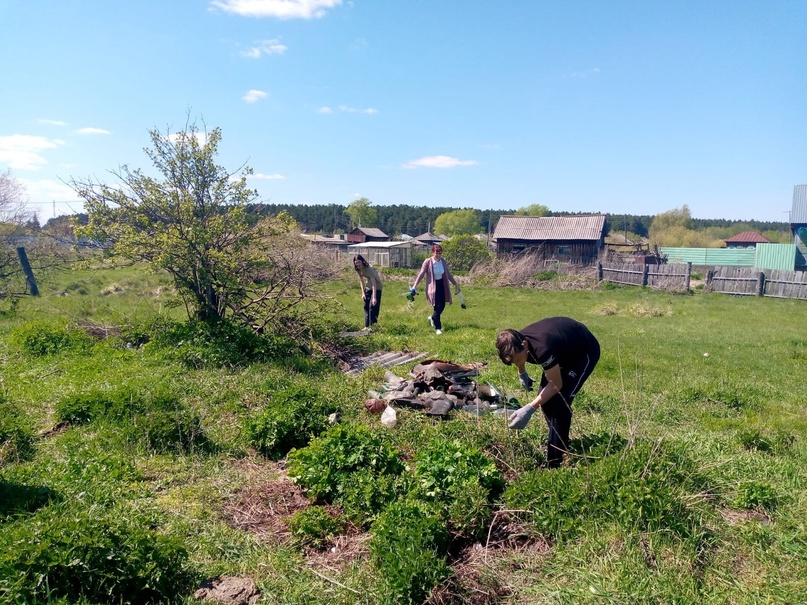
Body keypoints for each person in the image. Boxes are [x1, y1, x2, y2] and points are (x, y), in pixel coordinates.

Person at [496, 317, 600, 468]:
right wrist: (522, 372)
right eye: (514, 362)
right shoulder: (516, 341)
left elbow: (556, 384)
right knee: (546, 402)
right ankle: (560, 443)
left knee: (559, 403)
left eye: (519, 359)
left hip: (583, 353)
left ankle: (555, 462)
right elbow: (519, 357)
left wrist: (529, 408)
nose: (517, 363)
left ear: (524, 344)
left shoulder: (542, 349)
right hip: (561, 350)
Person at [411, 244, 461, 335]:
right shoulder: (428, 262)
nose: (438, 255)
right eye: (436, 253)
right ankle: (438, 328)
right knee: (437, 307)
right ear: (433, 252)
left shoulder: (443, 261)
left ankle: (433, 318)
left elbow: (448, 274)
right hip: (432, 287)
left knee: (442, 305)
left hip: (442, 285)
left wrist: (455, 284)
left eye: (440, 253)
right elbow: (421, 274)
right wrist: (414, 286)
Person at [353, 255, 382, 330]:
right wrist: (363, 293)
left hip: (376, 287)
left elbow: (374, 282)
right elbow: (361, 280)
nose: (357, 264)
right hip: (368, 287)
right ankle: (366, 326)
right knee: (366, 306)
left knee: (372, 306)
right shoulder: (358, 269)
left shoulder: (368, 268)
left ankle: (373, 327)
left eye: (359, 262)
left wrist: (374, 297)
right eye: (356, 263)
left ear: (362, 261)